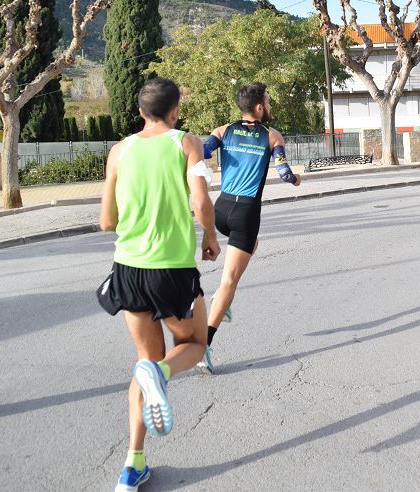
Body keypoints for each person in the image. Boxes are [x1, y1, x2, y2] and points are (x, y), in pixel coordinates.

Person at [96, 77, 220, 492]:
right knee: (196, 344)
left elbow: (106, 221)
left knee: (142, 361)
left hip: (127, 268)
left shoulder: (119, 150)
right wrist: (210, 236)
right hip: (171, 268)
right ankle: (162, 372)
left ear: (139, 112)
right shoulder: (186, 142)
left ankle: (132, 466)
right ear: (176, 110)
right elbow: (201, 200)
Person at [198, 82, 302, 373]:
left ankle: (222, 299)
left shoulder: (223, 130)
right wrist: (296, 181)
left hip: (221, 209)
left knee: (251, 246)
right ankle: (203, 343)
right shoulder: (272, 136)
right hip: (246, 212)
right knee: (229, 280)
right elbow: (283, 173)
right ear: (259, 108)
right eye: (268, 102)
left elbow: (204, 152)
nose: (269, 107)